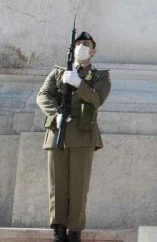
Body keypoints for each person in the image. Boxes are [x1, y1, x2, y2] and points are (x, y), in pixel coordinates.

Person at [36, 31, 111, 242]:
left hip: (83, 135)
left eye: (86, 44)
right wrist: (55, 113)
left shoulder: (100, 76)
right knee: (56, 186)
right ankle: (58, 230)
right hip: (56, 132)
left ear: (93, 51)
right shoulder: (58, 73)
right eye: (78, 43)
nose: (81, 47)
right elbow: (42, 95)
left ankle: (75, 231)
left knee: (78, 187)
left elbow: (97, 99)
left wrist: (79, 84)